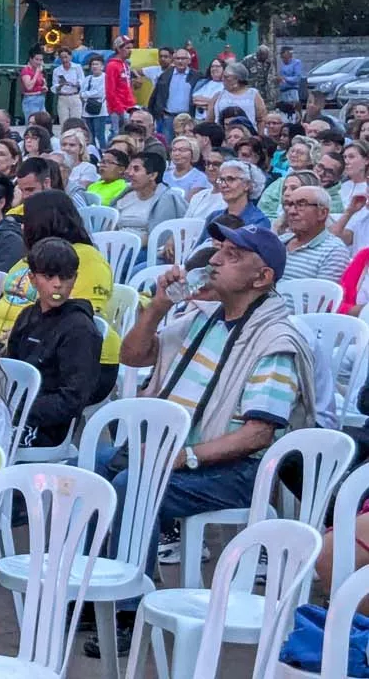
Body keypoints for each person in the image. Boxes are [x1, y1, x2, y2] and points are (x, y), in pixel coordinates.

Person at [110, 222, 316, 656]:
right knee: (92, 468)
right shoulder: (201, 316)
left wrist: (181, 457)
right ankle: (102, 581)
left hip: (238, 470)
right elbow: (131, 356)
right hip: (173, 450)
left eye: (233, 255)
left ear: (262, 279)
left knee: (135, 485)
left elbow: (258, 434)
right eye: (219, 249)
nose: (216, 259)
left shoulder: (275, 340)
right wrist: (157, 309)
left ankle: (126, 609)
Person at [0, 190, 119, 403]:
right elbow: (10, 299)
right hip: (21, 347)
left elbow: (79, 314)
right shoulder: (32, 256)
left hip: (66, 360)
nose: (22, 228)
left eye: (27, 221)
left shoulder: (86, 260)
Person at [5, 237, 103, 449]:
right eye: (49, 276)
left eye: (65, 277)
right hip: (11, 412)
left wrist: (19, 409)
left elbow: (73, 399)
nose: (58, 284)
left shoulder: (80, 330)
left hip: (44, 428)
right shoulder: (27, 316)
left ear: (75, 279)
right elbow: (8, 369)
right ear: (32, 279)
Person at [114, 151, 186, 251]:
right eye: (129, 168)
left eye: (136, 169)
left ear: (152, 175)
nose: (129, 173)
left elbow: (160, 237)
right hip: (116, 245)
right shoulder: (126, 196)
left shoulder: (166, 199)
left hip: (144, 250)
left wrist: (126, 245)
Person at [280, 185, 351, 282]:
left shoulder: (334, 251)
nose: (291, 211)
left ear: (322, 213)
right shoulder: (280, 240)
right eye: (289, 204)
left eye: (301, 205)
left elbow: (323, 296)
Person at [147, 48, 199, 139]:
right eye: (177, 58)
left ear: (189, 60)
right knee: (168, 145)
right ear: (173, 60)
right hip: (168, 118)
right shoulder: (165, 75)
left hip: (188, 118)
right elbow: (156, 95)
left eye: (183, 58)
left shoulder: (196, 76)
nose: (180, 61)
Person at [206, 61, 268, 127]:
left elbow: (261, 119)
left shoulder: (253, 94)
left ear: (237, 78)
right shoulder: (218, 96)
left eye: (226, 77)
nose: (223, 79)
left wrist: (260, 136)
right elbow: (209, 120)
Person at [105, 36, 139, 140]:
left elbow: (126, 86)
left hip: (129, 106)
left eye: (131, 48)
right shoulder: (112, 66)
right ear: (119, 49)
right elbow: (110, 90)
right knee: (118, 134)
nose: (130, 51)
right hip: (119, 108)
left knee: (127, 134)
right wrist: (119, 108)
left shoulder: (126, 65)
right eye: (127, 48)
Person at [51, 48, 83, 123]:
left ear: (70, 57)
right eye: (62, 58)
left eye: (66, 57)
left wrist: (76, 84)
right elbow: (54, 87)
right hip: (62, 97)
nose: (64, 60)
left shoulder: (77, 67)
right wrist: (60, 85)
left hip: (74, 96)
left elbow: (82, 81)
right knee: (63, 121)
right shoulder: (57, 70)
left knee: (76, 121)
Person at [20, 47, 47, 119]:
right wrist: (37, 73)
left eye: (41, 60)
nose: (39, 62)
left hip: (41, 98)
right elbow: (28, 87)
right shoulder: (26, 70)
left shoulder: (40, 70)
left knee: (43, 122)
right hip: (31, 99)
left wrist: (44, 87)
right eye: (36, 59)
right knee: (33, 122)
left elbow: (42, 83)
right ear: (31, 59)